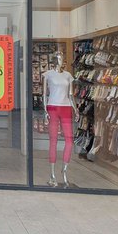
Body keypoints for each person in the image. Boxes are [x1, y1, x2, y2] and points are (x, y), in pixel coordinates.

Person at [42, 51, 78, 187]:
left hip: (66, 108)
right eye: (58, 58)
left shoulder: (68, 75)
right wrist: (45, 110)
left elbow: (71, 94)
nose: (61, 60)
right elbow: (44, 94)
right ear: (54, 60)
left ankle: (64, 170)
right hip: (52, 107)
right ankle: (52, 175)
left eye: (62, 58)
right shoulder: (47, 75)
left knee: (69, 140)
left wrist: (76, 109)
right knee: (53, 141)